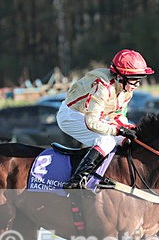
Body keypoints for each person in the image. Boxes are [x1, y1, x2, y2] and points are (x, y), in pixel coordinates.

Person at [57, 49, 154, 189]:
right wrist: (118, 130)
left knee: (128, 139)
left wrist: (130, 129)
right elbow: (92, 123)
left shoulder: (126, 91)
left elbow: (118, 116)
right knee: (106, 141)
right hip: (71, 115)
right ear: (121, 77)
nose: (137, 84)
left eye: (139, 79)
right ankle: (76, 181)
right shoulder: (103, 88)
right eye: (135, 79)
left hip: (94, 117)